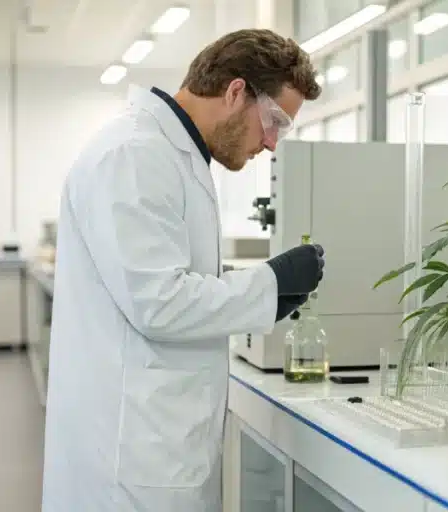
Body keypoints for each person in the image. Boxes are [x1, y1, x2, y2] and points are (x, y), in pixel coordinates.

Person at [40, 29, 324, 512]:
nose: (273, 143)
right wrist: (271, 284)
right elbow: (159, 302)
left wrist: (269, 295)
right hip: (130, 460)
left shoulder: (176, 155)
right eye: (274, 120)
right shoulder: (135, 154)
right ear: (236, 92)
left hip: (157, 442)